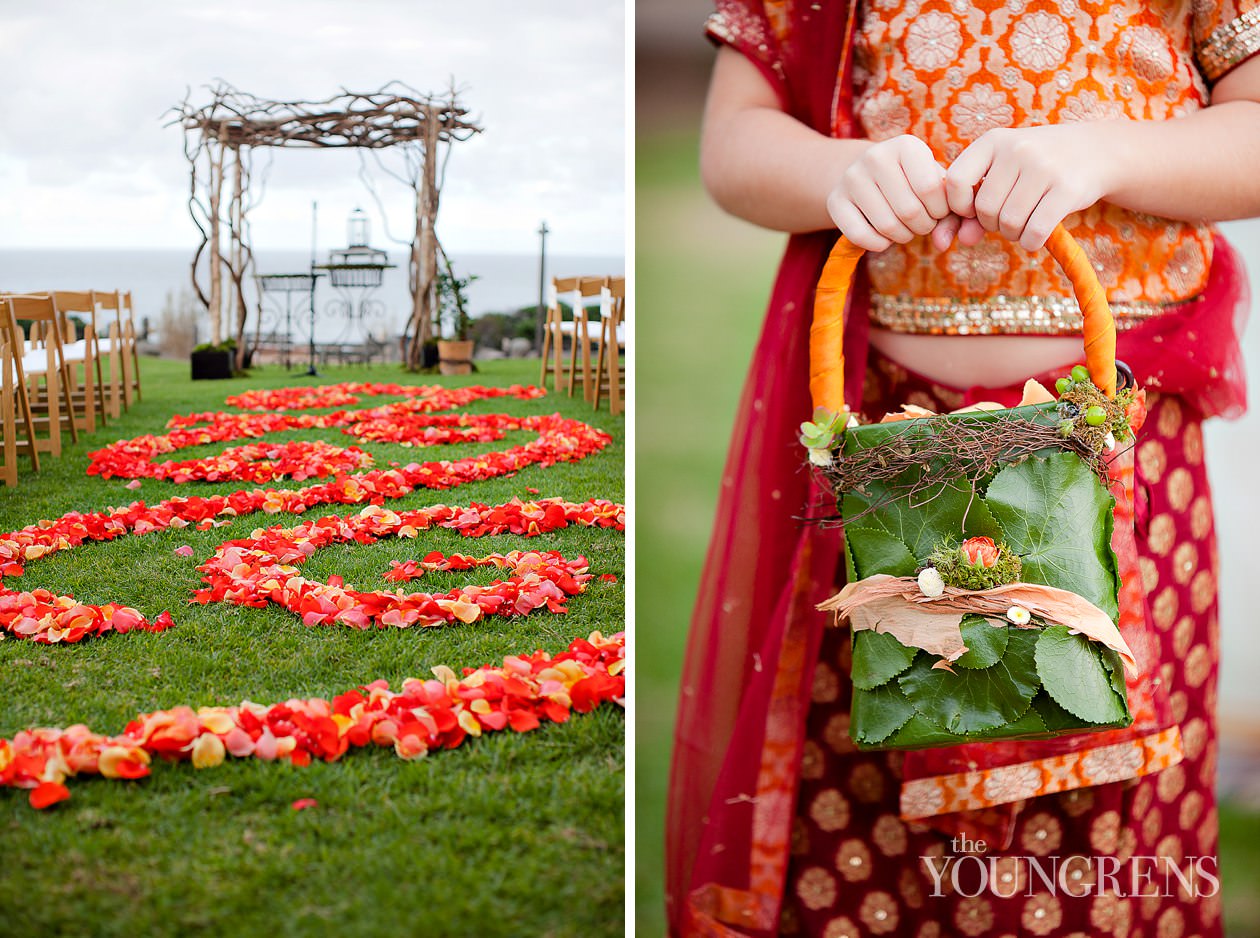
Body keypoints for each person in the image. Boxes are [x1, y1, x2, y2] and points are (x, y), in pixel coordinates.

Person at [666, 2, 1260, 935]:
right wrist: (841, 172)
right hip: (882, 446)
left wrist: (1106, 154)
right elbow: (735, 144)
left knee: (1093, 793)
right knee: (868, 780)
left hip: (1120, 458)